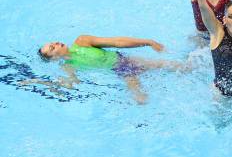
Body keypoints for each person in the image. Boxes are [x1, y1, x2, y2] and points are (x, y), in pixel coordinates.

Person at [28, 35, 183, 104]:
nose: (56, 43)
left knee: (175, 66)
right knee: (141, 99)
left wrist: (147, 42)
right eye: (52, 48)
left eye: (53, 42)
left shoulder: (82, 41)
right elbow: (73, 83)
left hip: (124, 61)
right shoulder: (67, 66)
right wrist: (46, 84)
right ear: (54, 58)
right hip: (120, 71)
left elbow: (117, 42)